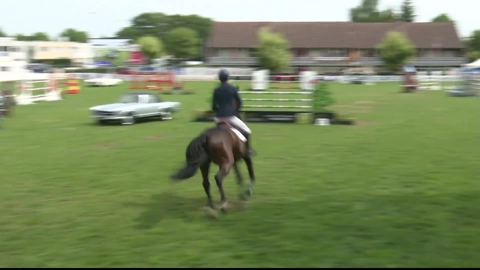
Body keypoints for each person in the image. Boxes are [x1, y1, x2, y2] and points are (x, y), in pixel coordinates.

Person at [211, 69, 256, 156]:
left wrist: (219, 112)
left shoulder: (216, 90)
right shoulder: (232, 89)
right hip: (230, 117)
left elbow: (213, 107)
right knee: (247, 131)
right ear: (228, 78)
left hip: (218, 118)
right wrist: (235, 111)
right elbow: (240, 102)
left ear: (219, 78)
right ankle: (248, 150)